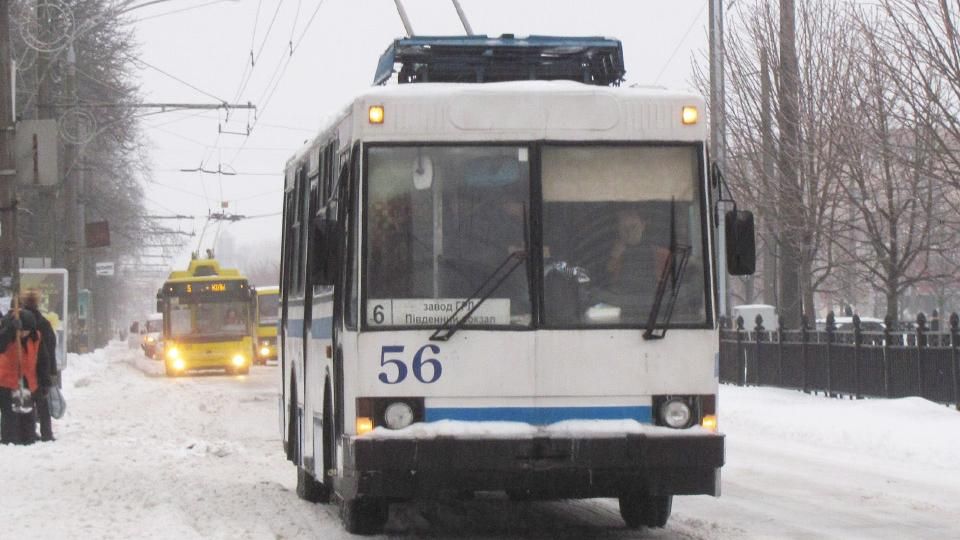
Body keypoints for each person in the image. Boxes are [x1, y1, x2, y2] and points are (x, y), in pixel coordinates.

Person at [0, 309, 42, 445]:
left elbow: (42, 358)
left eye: (27, 331)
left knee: (28, 410)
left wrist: (45, 380)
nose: (25, 333)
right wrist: (11, 329)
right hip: (7, 379)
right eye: (23, 330)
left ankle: (28, 437)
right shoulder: (9, 335)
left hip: (27, 379)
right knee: (9, 412)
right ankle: (10, 438)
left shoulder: (35, 337)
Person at [23, 291, 58, 442]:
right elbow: (50, 346)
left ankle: (29, 432)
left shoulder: (19, 321)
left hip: (24, 368)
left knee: (25, 402)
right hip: (41, 369)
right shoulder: (43, 322)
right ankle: (46, 433)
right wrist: (52, 370)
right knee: (42, 404)